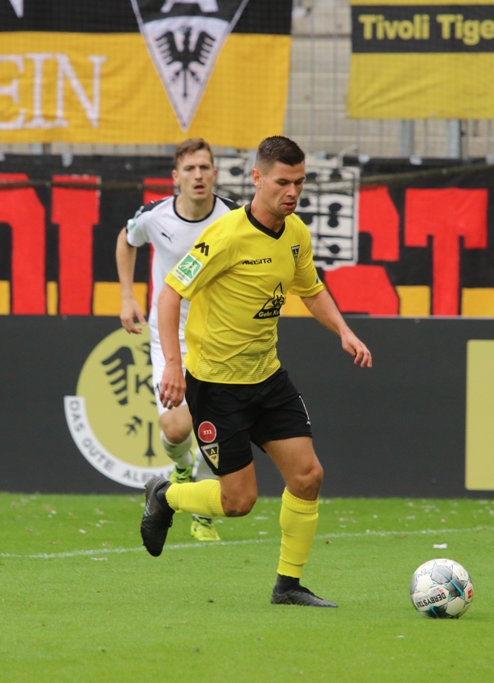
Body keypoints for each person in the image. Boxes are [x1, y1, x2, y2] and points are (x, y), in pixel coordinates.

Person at [140, 135, 372, 607]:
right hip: (217, 388)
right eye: (283, 182)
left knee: (307, 476)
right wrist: (174, 365)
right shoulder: (224, 236)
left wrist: (344, 332)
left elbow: (311, 289)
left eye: (299, 182)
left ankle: (288, 586)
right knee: (238, 502)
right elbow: (170, 293)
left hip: (267, 379)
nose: (292, 192)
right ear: (257, 179)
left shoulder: (296, 234)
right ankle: (165, 496)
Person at [117, 138, 236, 542]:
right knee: (175, 429)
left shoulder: (233, 218)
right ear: (176, 177)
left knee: (217, 431)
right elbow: (126, 239)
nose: (198, 176)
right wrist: (127, 296)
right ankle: (182, 469)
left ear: (214, 174)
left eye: (204, 168)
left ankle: (203, 513)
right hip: (169, 338)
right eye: (190, 169)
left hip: (219, 339)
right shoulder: (155, 217)